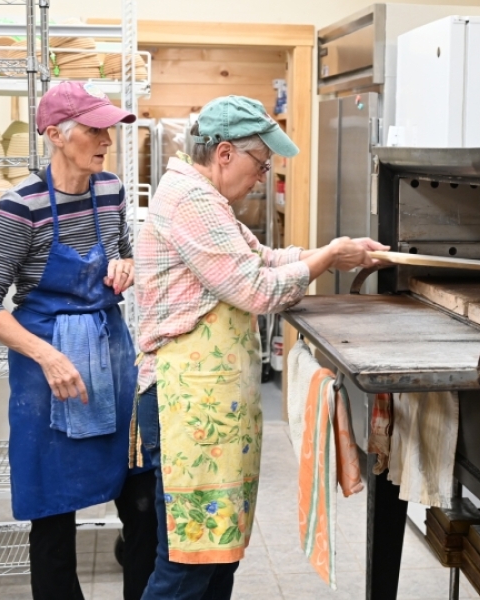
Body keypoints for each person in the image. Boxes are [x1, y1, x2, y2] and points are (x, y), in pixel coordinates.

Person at [133, 95, 386, 599]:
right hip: (186, 405)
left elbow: (262, 259)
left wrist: (331, 254)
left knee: (217, 557)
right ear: (225, 153)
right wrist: (324, 260)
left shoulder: (204, 197)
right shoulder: (192, 201)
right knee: (187, 565)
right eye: (261, 163)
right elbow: (257, 289)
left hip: (208, 406)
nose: (262, 177)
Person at [0, 81, 157, 600]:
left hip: (110, 357)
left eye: (108, 130)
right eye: (94, 130)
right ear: (55, 134)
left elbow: (125, 254)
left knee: (143, 501)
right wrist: (47, 356)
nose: (106, 141)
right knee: (53, 518)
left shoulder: (111, 190)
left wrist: (127, 266)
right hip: (46, 368)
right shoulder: (20, 208)